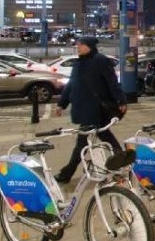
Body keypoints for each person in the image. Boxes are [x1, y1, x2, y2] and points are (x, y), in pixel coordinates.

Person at [54, 37, 127, 183]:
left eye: (81, 45)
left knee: (82, 144)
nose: (78, 47)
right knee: (104, 137)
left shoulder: (100, 60)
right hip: (85, 109)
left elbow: (112, 81)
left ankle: (66, 174)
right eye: (78, 44)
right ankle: (122, 162)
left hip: (96, 109)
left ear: (90, 47)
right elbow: (71, 86)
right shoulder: (78, 63)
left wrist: (121, 100)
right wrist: (62, 103)